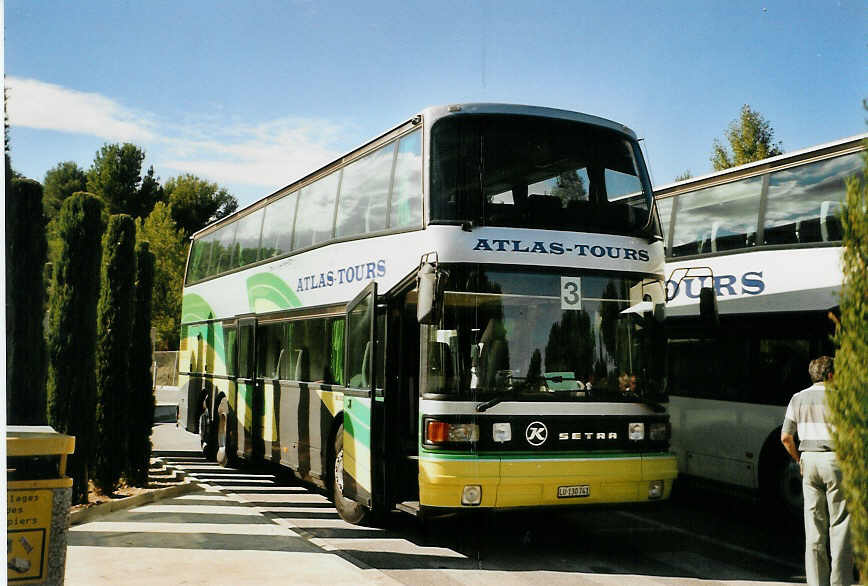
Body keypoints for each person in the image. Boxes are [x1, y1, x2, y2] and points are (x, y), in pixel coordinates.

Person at [780, 356, 853, 586]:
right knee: (839, 526)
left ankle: (816, 582)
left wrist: (799, 459)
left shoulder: (797, 398)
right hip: (836, 462)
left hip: (809, 462)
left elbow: (786, 437)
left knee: (813, 529)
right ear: (830, 375)